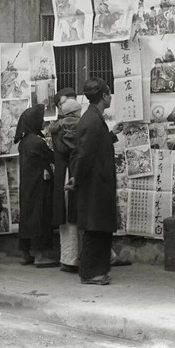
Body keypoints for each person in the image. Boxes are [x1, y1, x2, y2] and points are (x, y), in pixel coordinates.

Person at [66, 78, 124, 285]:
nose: (110, 97)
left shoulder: (93, 118)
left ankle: (96, 270)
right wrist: (77, 179)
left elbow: (96, 145)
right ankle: (90, 273)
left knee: (100, 227)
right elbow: (85, 154)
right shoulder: (91, 120)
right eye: (109, 93)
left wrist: (112, 134)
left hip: (98, 183)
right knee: (94, 228)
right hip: (93, 185)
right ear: (105, 96)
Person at [15, 104, 58, 268]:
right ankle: (40, 256)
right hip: (39, 186)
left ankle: (26, 254)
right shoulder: (36, 142)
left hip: (27, 186)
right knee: (40, 218)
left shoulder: (24, 141)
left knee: (27, 217)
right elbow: (52, 157)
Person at [49, 89, 82, 273]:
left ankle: (67, 258)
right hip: (72, 174)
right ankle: (73, 259)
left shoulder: (56, 128)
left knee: (66, 218)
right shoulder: (76, 128)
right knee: (74, 217)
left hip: (62, 174)